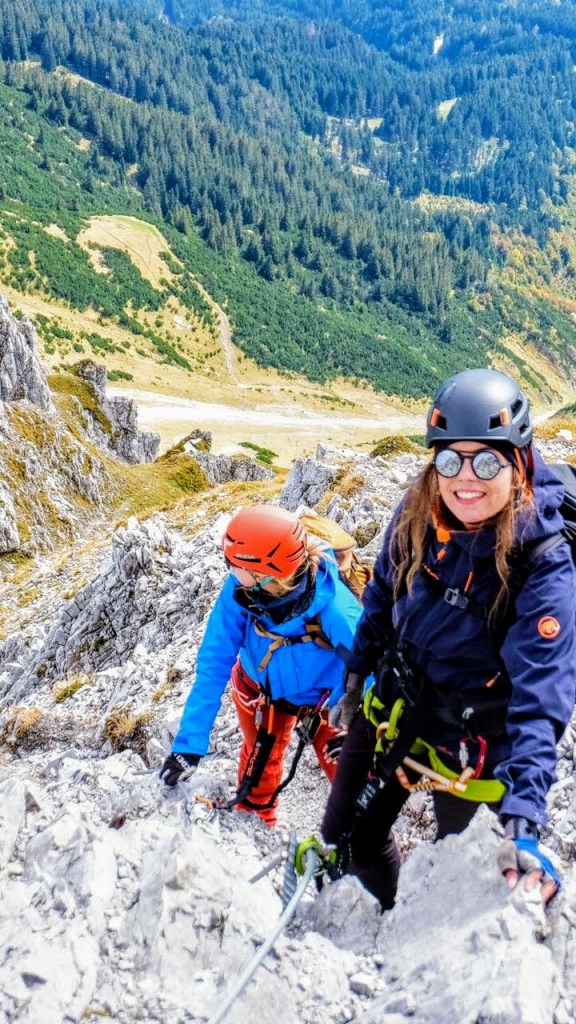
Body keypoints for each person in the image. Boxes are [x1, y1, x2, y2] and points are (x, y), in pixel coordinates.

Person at [322, 368, 576, 908]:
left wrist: (523, 821)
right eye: (449, 459)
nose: (466, 478)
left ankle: (419, 936)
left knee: (462, 876)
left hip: (475, 739)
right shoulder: (417, 512)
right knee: (350, 840)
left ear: (519, 462)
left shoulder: (542, 562)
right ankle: (389, 921)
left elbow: (543, 695)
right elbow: (382, 596)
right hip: (399, 704)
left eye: (486, 461)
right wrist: (355, 675)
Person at [160, 504, 363, 826]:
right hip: (261, 692)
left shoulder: (337, 609)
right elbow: (214, 662)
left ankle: (360, 837)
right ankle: (255, 830)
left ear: (263, 572)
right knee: (259, 771)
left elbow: (371, 664)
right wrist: (188, 745)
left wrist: (359, 729)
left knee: (349, 773)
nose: (228, 570)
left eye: (233, 563)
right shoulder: (239, 591)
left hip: (327, 700)